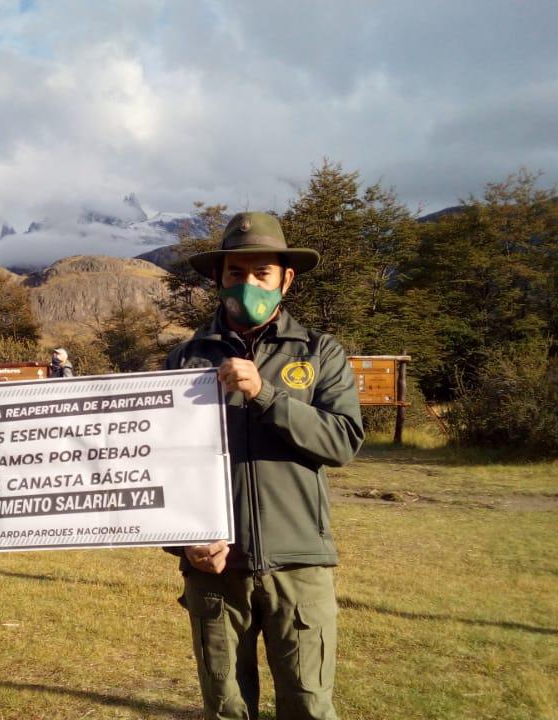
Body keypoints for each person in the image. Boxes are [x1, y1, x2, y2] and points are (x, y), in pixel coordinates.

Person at [165, 211, 364, 720]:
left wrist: (267, 395)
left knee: (308, 705)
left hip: (298, 567)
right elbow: (161, 468)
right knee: (226, 707)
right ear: (219, 278)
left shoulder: (321, 354)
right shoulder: (185, 361)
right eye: (236, 273)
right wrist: (184, 543)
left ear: (285, 280)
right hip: (215, 570)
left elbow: (342, 442)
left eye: (262, 274)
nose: (247, 284)